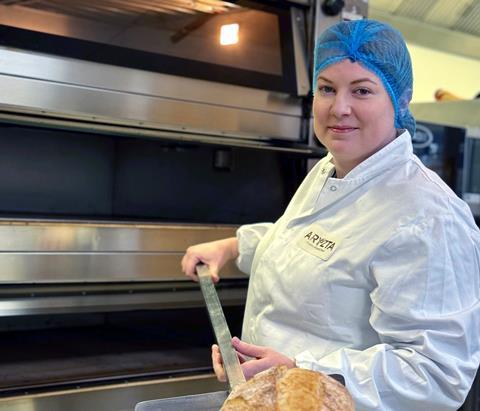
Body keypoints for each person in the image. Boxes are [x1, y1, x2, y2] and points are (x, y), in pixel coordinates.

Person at [182, 19, 480, 410]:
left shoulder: (428, 218)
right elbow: (312, 241)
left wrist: (300, 368)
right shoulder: (334, 167)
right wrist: (234, 245)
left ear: (401, 100)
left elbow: (433, 373)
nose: (339, 108)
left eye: (361, 90)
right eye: (327, 88)